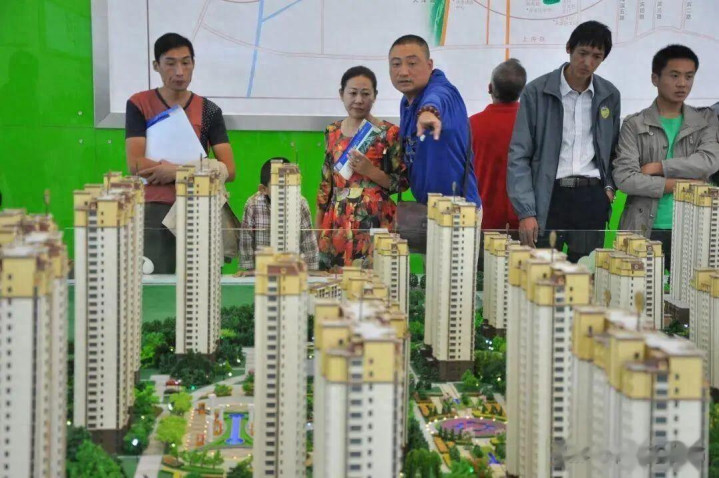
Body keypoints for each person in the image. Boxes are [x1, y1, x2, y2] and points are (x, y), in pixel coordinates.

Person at [508, 21, 620, 262]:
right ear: (569, 48)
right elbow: (519, 156)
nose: (588, 62)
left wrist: (609, 189)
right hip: (550, 197)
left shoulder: (609, 95)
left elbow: (613, 151)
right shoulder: (536, 92)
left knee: (586, 275)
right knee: (543, 275)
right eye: (582, 53)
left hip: (591, 197)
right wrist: (526, 211)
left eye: (597, 56)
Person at [125, 33, 235, 273]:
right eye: (170, 63)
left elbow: (229, 169)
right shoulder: (138, 104)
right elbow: (135, 164)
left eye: (186, 63)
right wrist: (193, 170)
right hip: (153, 209)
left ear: (194, 64)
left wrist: (175, 172)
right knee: (154, 282)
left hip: (199, 207)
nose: (179, 72)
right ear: (156, 66)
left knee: (200, 282)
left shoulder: (209, 110)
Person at [613, 44, 719, 269]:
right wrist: (680, 184)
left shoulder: (705, 121)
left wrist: (659, 166)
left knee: (692, 289)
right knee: (638, 288)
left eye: (689, 76)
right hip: (642, 227)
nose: (682, 84)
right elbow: (625, 178)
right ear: (655, 78)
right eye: (674, 75)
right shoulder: (634, 124)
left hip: (694, 229)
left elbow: (709, 162)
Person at [316, 66, 408, 271]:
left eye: (365, 94)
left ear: (375, 96)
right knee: (336, 282)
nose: (358, 100)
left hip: (376, 222)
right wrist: (318, 229)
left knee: (376, 281)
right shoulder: (332, 131)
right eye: (353, 93)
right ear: (342, 94)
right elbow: (325, 184)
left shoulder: (389, 133)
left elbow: (401, 183)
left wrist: (371, 171)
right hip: (338, 223)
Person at [389, 35, 481, 207]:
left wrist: (428, 111)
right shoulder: (406, 101)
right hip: (427, 207)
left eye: (412, 63)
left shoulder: (443, 90)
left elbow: (437, 98)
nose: (403, 72)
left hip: (457, 210)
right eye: (396, 64)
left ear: (429, 65)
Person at [469, 58, 527, 232]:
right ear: (522, 90)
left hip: (482, 220)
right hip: (525, 221)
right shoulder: (532, 125)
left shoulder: (471, 125)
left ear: (490, 88)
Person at [239, 157, 319, 270]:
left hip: (293, 270)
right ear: (263, 189)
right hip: (262, 269)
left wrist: (311, 270)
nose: (285, 191)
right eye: (279, 186)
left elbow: (308, 241)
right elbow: (246, 241)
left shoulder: (301, 203)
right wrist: (251, 270)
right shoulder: (252, 204)